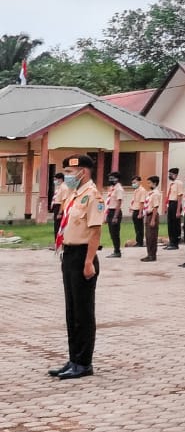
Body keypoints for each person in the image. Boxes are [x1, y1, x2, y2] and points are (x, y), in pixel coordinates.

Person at [48, 154, 103, 380]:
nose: (68, 176)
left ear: (84, 171)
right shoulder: (74, 194)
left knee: (83, 312)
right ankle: (74, 358)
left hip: (83, 256)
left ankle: (84, 363)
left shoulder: (93, 196)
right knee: (71, 311)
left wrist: (89, 261)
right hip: (69, 254)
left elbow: (95, 230)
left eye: (71, 172)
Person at [103, 173, 123, 258]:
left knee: (115, 233)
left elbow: (119, 203)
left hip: (115, 211)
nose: (110, 180)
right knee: (112, 232)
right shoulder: (112, 188)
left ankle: (117, 251)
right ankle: (115, 250)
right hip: (110, 211)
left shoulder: (119, 189)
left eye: (112, 178)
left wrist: (115, 216)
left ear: (117, 179)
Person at [142, 176, 162, 262]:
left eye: (149, 183)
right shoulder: (150, 193)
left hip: (152, 215)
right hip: (148, 215)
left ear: (154, 183)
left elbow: (155, 207)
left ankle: (152, 255)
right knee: (148, 236)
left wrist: (153, 219)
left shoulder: (156, 193)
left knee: (152, 236)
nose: (148, 184)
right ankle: (149, 254)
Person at [164, 167, 182, 250]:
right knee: (170, 224)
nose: (169, 176)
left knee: (175, 224)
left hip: (176, 204)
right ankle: (171, 241)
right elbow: (169, 196)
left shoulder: (179, 183)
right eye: (169, 174)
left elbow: (179, 197)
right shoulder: (171, 183)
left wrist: (178, 210)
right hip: (170, 204)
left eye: (171, 174)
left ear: (175, 175)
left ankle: (175, 243)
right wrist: (166, 206)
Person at [129, 177, 145, 249]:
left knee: (139, 227)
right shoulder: (136, 190)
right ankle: (138, 241)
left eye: (135, 182)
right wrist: (131, 207)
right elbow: (134, 201)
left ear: (139, 182)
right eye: (132, 183)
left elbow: (142, 202)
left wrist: (140, 213)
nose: (133, 184)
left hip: (139, 210)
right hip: (135, 210)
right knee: (136, 227)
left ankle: (140, 242)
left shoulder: (142, 190)